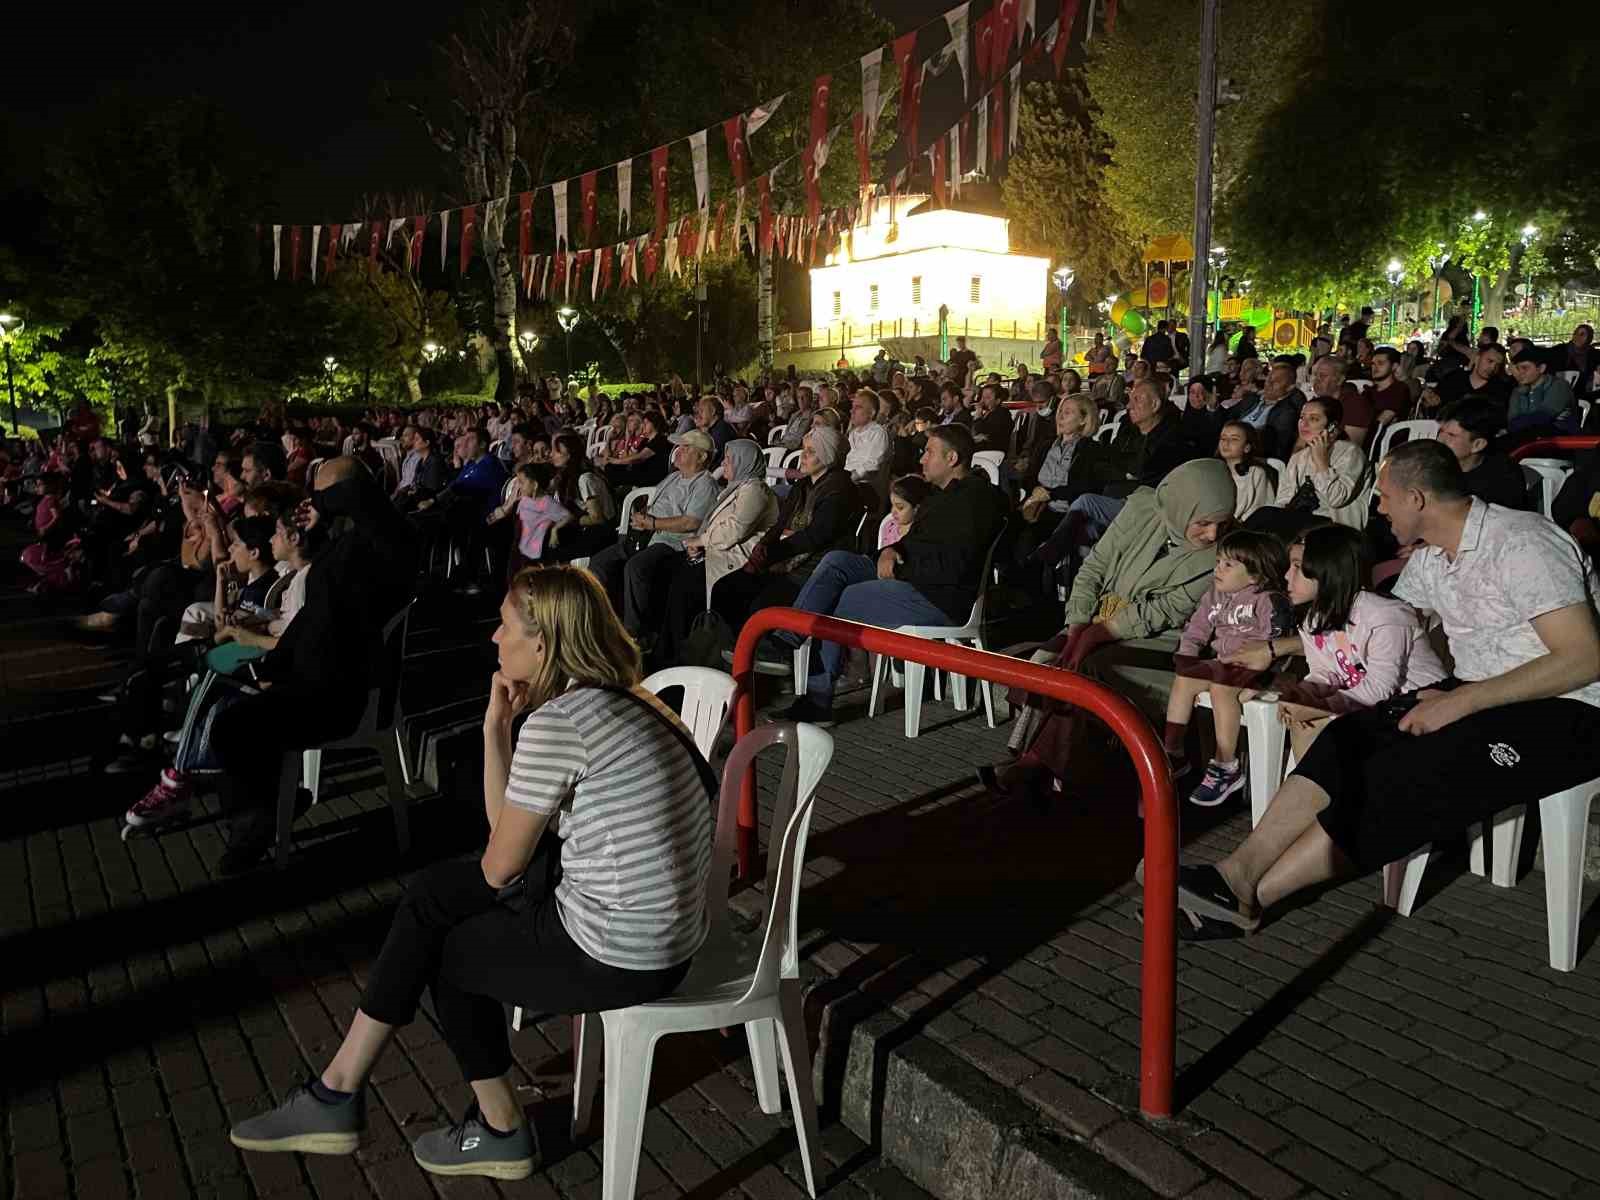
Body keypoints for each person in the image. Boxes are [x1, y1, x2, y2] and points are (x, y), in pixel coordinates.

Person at [230, 566, 712, 1180]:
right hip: (668, 939)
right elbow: (505, 831)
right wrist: (496, 729)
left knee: (441, 937)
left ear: (541, 644)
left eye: (504, 625)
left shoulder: (562, 723)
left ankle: (449, 1117)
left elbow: (500, 867)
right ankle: (345, 1095)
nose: (492, 638)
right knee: (435, 903)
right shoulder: (626, 701)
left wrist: (515, 737)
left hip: (622, 952)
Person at [1171, 440, 1600, 940]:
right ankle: (1235, 875)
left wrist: (1459, 701)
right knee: (1347, 737)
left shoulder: (1523, 543)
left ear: (1416, 498)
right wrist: (1275, 648)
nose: (1378, 508)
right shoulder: (1433, 560)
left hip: (1570, 705)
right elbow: (1361, 618)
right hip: (1476, 691)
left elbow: (1583, 657)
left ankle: (1257, 899)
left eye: (1384, 496)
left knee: (1406, 773)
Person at [981, 459, 1238, 804]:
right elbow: (1095, 567)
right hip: (1106, 617)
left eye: (1220, 523)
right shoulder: (1143, 510)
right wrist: (1077, 625)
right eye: (1203, 522)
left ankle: (1036, 765)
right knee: (1049, 657)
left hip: (1166, 641)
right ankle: (1038, 762)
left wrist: (1096, 634)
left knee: (1092, 668)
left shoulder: (1224, 555)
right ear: (1178, 507)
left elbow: (1164, 611)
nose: (1212, 535)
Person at [207, 457, 419, 872]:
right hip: (312, 683)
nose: (314, 502)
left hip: (344, 695)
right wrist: (271, 668)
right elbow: (311, 618)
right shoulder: (346, 547)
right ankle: (264, 816)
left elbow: (367, 502)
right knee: (231, 719)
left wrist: (329, 500)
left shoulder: (390, 542)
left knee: (234, 728)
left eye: (323, 494)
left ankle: (258, 824)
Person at [775, 424, 1007, 723]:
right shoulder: (939, 495)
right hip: (907, 572)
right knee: (836, 562)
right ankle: (790, 635)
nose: (921, 458)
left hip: (935, 596)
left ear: (951, 458)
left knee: (834, 600)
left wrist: (900, 568)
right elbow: (915, 542)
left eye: (929, 452)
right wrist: (889, 550)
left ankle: (817, 700)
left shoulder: (975, 500)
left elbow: (953, 566)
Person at [1222, 525, 1447, 765]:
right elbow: (1324, 672)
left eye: (1297, 567)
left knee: (1318, 721)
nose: (1287, 575)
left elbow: (1379, 689)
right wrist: (1301, 695)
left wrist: (1317, 706)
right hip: (1376, 711)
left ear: (1326, 570)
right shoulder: (1314, 619)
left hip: (1420, 711)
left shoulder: (1384, 615)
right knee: (1305, 723)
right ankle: (1313, 796)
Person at [1163, 529, 1294, 804]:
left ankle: (1225, 766)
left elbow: (1280, 643)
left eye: (1229, 565)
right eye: (1218, 562)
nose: (1218, 569)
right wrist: (1187, 655)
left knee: (1222, 689)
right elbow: (1197, 626)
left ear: (1255, 575)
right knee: (1184, 679)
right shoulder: (1216, 594)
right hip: (1223, 662)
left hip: (1254, 665)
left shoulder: (1267, 598)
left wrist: (1264, 678)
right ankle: (1173, 752)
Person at [709, 427, 864, 629]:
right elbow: (780, 523)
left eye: (811, 451)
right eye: (803, 449)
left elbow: (815, 536)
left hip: (812, 568)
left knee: (760, 607)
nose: (803, 455)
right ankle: (731, 647)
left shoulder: (840, 490)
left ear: (827, 456)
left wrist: (771, 553)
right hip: (786, 557)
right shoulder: (803, 485)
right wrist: (763, 547)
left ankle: (762, 653)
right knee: (725, 588)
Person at [586, 431, 720, 637]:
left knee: (636, 567)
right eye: (679, 446)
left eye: (686, 447)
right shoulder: (674, 476)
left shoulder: (705, 483)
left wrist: (653, 523)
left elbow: (690, 522)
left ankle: (636, 634)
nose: (678, 451)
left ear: (702, 457)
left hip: (671, 542)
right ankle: (606, 619)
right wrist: (642, 518)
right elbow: (653, 504)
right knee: (599, 562)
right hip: (646, 534)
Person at [656, 439, 778, 664]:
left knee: (682, 587)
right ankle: (668, 652)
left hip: (733, 561)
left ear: (743, 462)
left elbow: (734, 530)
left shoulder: (755, 490)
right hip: (716, 554)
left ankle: (676, 658)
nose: (724, 463)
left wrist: (700, 541)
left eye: (730, 459)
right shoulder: (737, 488)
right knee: (667, 574)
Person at [1252, 396, 1371, 537]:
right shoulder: (1299, 457)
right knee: (1264, 515)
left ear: (1332, 426)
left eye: (1313, 419)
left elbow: (1336, 498)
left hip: (1336, 528)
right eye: (1302, 418)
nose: (1304, 424)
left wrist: (1322, 462)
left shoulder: (1351, 453)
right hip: (1301, 521)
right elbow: (1283, 500)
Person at [1434, 398, 1530, 510]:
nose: (1440, 439)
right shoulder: (1434, 463)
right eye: (1440, 431)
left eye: (1451, 435)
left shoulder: (1503, 479)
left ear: (1478, 444)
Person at [1227, 361, 1302, 461]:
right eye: (1269, 378)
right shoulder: (1252, 399)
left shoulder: (1287, 412)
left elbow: (1275, 445)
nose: (1269, 384)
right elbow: (1226, 416)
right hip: (1229, 442)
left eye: (1277, 381)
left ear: (1290, 387)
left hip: (1251, 455)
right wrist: (1212, 407)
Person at [1507, 344, 1579, 437]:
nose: (1520, 373)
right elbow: (1512, 422)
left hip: (1559, 441)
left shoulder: (1559, 385)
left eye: (1525, 368)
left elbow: (1543, 417)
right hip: (1529, 438)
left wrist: (1521, 422)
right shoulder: (1517, 391)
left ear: (1541, 368)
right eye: (1518, 368)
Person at [1217, 420, 1275, 522]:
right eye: (1223, 438)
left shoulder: (1255, 473)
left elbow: (1260, 508)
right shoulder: (1213, 471)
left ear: (1247, 447)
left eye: (1234, 439)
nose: (1226, 443)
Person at [1436, 343, 1512, 409]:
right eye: (1490, 361)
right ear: (1477, 358)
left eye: (1497, 365)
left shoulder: (1500, 390)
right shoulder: (1453, 379)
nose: (1492, 368)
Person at [844, 388, 893, 485]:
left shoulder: (878, 432)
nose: (852, 411)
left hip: (866, 488)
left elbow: (872, 465)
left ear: (872, 412)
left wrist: (846, 480)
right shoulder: (853, 433)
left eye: (858, 407)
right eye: (852, 406)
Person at [969, 383, 1014, 452]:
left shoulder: (1002, 414)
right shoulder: (988, 412)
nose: (983, 401)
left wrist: (978, 414)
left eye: (987, 397)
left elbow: (983, 431)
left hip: (993, 451)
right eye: (982, 397)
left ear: (997, 401)